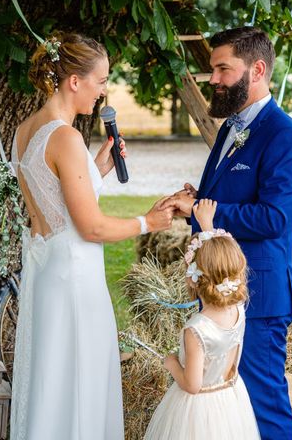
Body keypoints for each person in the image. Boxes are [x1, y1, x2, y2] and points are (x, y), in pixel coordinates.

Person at [9, 32, 173, 440]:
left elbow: (50, 208)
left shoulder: (24, 131)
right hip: (76, 282)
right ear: (74, 81)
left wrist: (95, 170)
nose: (103, 93)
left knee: (54, 385)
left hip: (51, 276)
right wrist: (147, 223)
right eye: (100, 82)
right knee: (80, 386)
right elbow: (91, 227)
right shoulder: (66, 137)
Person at [163, 27, 292, 439]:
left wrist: (206, 210)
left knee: (263, 404)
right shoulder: (231, 126)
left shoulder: (286, 138)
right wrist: (198, 198)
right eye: (213, 69)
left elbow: (275, 219)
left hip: (259, 293)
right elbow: (228, 194)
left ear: (257, 69)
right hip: (224, 289)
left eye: (223, 69)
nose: (214, 79)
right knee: (227, 403)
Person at [144, 198, 260, 440]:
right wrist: (206, 225)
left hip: (198, 413)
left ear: (191, 278)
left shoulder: (197, 329)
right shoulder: (238, 309)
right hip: (230, 401)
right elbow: (217, 259)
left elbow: (192, 385)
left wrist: (172, 363)